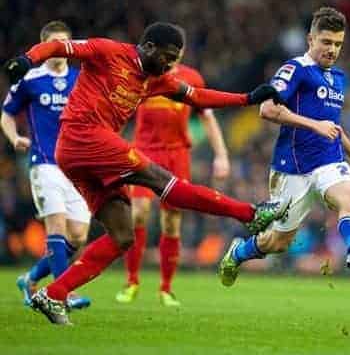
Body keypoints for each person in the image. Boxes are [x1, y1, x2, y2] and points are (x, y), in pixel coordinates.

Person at [3, 22, 289, 324]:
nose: (170, 64)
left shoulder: (157, 80)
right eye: (167, 56)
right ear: (149, 47)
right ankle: (250, 214)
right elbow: (60, 47)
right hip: (82, 137)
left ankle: (54, 294)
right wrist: (27, 59)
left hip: (84, 156)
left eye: (175, 58)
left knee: (122, 236)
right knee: (161, 179)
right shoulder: (108, 51)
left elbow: (197, 96)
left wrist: (247, 99)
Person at [218, 7, 350, 286]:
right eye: (326, 42)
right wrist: (315, 126)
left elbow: (331, 123)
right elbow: (267, 109)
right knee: (277, 242)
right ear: (310, 39)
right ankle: (238, 252)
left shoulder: (338, 77)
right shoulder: (294, 70)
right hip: (292, 167)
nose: (332, 49)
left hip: (328, 161)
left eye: (338, 44)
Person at [115, 63, 231, 307]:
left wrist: (221, 155)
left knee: (171, 221)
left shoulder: (191, 77)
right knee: (138, 213)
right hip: (144, 152)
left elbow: (208, 117)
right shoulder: (143, 74)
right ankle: (132, 281)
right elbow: (119, 111)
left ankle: (166, 288)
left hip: (177, 155)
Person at [1, 21, 91, 310]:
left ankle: (30, 279)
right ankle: (60, 293)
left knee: (78, 235)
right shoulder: (29, 79)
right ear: (42, 47)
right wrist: (14, 137)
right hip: (45, 163)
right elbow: (6, 114)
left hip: (76, 166)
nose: (59, 49)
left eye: (64, 43)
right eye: (53, 43)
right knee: (57, 226)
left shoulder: (81, 78)